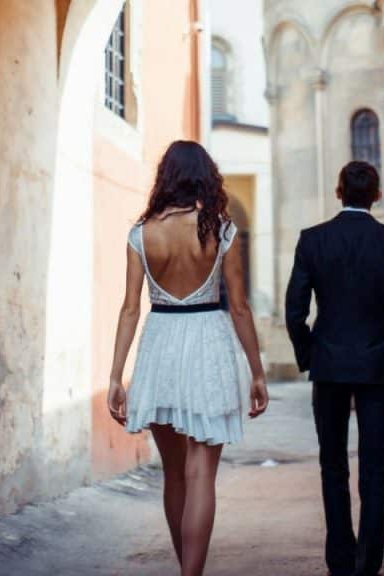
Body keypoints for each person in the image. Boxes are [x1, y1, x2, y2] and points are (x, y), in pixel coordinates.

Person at [107, 140, 269, 576]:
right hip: (208, 344)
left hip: (160, 344)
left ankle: (187, 570)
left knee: (174, 474)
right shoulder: (221, 229)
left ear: (166, 178)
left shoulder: (141, 234)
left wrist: (116, 377)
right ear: (204, 177)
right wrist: (256, 372)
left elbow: (129, 308)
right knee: (201, 475)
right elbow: (239, 306)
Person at [285, 160, 384, 576]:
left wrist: (310, 354)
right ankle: (368, 566)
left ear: (337, 192)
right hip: (379, 365)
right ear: (377, 195)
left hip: (329, 366)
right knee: (375, 468)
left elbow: (295, 312)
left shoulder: (313, 241)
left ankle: (340, 562)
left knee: (332, 464)